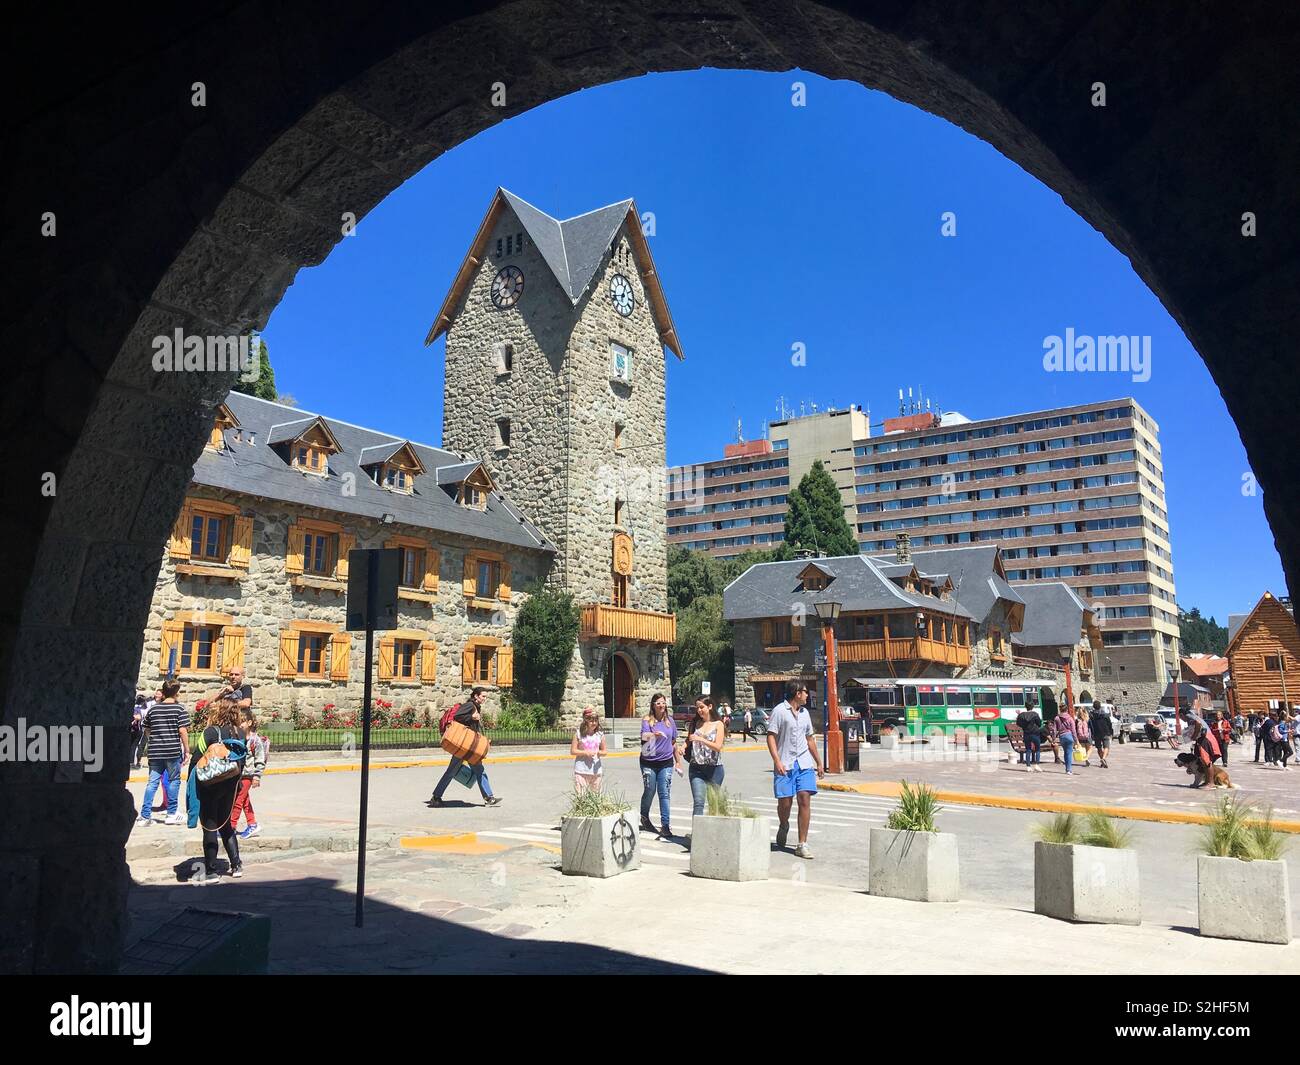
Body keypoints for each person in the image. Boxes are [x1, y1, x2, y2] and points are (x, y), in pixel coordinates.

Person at [188, 696, 246, 880]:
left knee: (210, 826)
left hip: (209, 785)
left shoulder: (210, 733)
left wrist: (193, 782)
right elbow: (242, 761)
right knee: (226, 824)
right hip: (230, 785)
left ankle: (211, 870)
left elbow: (196, 759)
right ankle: (236, 865)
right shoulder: (240, 734)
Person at [766, 680, 824, 859]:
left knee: (804, 798)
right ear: (797, 693)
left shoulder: (806, 713)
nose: (808, 695)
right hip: (785, 763)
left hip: (804, 763)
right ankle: (784, 824)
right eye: (806, 692)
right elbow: (771, 737)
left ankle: (802, 843)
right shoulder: (779, 711)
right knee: (785, 802)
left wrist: (819, 762)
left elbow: (810, 739)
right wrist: (777, 761)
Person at [431, 687, 501, 807]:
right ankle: (436, 797)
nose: (485, 698)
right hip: (464, 746)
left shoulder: (476, 707)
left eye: (485, 696)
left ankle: (489, 798)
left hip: (469, 746)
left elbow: (472, 727)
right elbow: (457, 717)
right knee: (452, 772)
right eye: (483, 696)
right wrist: (471, 717)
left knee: (478, 771)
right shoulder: (470, 705)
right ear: (476, 696)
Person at [136, 679, 189, 826]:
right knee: (174, 781)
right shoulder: (179, 709)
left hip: (155, 750)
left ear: (163, 692)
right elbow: (183, 730)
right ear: (176, 693)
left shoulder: (154, 709)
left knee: (152, 782)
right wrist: (187, 750)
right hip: (172, 750)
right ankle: (172, 813)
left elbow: (146, 728)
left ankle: (145, 815)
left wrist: (152, 739)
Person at [639, 692, 681, 837]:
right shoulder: (647, 720)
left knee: (664, 793)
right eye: (658, 703)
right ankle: (644, 817)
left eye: (663, 702)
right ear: (653, 705)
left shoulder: (670, 721)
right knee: (650, 790)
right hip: (648, 762)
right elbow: (643, 736)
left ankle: (665, 826)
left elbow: (674, 742)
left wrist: (678, 762)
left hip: (666, 762)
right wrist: (653, 735)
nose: (661, 705)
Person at [686, 695, 726, 818]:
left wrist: (700, 739)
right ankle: (697, 834)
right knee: (698, 802)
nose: (699, 710)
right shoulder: (695, 723)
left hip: (714, 769)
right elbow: (689, 739)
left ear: (710, 706)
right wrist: (683, 747)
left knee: (714, 803)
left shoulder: (718, 724)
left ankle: (712, 833)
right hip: (696, 768)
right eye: (697, 708)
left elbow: (718, 746)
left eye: (701, 707)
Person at [231, 707, 267, 838]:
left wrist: (257, 777)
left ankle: (231, 826)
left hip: (248, 775)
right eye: (238, 722)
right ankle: (252, 824)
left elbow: (260, 759)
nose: (240, 724)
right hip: (239, 773)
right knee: (245, 800)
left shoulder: (255, 740)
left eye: (243, 722)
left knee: (238, 801)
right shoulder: (239, 738)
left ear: (250, 723)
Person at [570, 707, 606, 792]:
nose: (594, 723)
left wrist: (598, 752)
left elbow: (604, 751)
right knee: (581, 797)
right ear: (585, 721)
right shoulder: (578, 734)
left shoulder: (600, 735)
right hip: (581, 770)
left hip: (596, 771)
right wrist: (585, 753)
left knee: (596, 797)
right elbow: (573, 751)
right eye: (591, 721)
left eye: (596, 721)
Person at [1015, 699, 1043, 772]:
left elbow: (1018, 723)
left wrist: (1024, 726)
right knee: (1037, 749)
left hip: (1026, 733)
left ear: (1025, 706)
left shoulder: (1021, 715)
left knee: (1028, 749)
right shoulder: (1035, 714)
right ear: (1033, 706)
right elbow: (1039, 724)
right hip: (1035, 733)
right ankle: (1036, 764)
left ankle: (1028, 766)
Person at [1049, 705, 1077, 774]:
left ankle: (1067, 768)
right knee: (1069, 753)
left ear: (1060, 710)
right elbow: (1073, 730)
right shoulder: (1070, 718)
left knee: (1065, 752)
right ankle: (1069, 769)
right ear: (1066, 710)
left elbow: (1054, 730)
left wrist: (1053, 739)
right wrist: (1076, 740)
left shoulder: (1057, 718)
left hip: (1062, 736)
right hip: (1069, 735)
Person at [1088, 699, 1113, 769]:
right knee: (1106, 747)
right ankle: (1104, 758)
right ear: (1100, 706)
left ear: (1093, 707)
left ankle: (1102, 760)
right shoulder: (1105, 714)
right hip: (1105, 732)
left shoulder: (1091, 715)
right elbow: (1109, 724)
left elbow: (1090, 725)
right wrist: (1111, 732)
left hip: (1096, 733)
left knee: (1099, 748)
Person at [130, 695, 146, 770]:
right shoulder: (139, 709)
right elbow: (139, 717)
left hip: (133, 729)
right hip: (137, 730)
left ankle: (130, 762)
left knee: (131, 746)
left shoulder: (133, 708)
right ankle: (131, 763)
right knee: (133, 746)